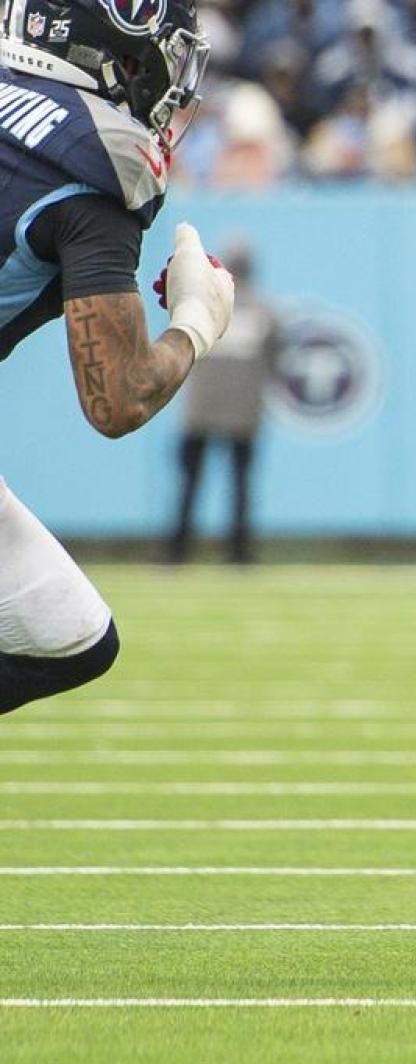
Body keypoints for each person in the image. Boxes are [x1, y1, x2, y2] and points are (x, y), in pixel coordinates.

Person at [0, 0, 235, 715]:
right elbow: (118, 399)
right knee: (68, 636)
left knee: (68, 630)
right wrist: (196, 322)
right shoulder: (91, 161)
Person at [166, 238, 276, 566]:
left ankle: (178, 551)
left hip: (200, 410)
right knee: (240, 485)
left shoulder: (205, 307)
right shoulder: (265, 311)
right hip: (244, 412)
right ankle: (239, 552)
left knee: (190, 484)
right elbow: (276, 358)